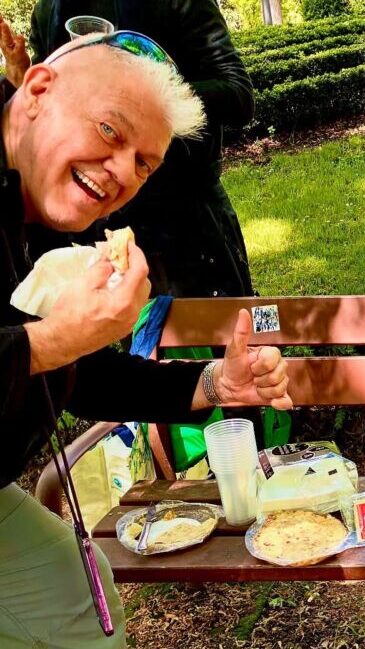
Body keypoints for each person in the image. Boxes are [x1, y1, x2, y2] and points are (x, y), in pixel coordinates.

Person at [0, 33, 291, 648]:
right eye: (110, 131)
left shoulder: (47, 217)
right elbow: (47, 349)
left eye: (143, 163)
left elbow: (84, 375)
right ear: (39, 90)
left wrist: (215, 382)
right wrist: (50, 341)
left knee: (81, 601)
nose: (120, 173)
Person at [3, 0, 255, 299]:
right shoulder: (49, 10)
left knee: (198, 336)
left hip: (179, 222)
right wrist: (18, 79)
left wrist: (141, 98)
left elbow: (238, 95)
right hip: (84, 229)